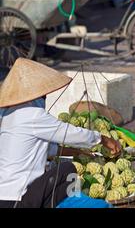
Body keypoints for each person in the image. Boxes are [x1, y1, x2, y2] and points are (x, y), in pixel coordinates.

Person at [0, 59, 121, 208]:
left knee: (64, 175)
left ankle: (58, 201)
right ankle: (75, 202)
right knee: (67, 171)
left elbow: (49, 149)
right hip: (19, 198)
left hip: (5, 197)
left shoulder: (10, 115)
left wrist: (77, 152)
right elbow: (67, 132)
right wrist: (103, 139)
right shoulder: (31, 114)